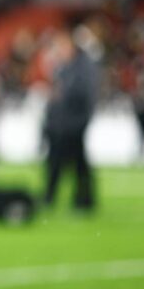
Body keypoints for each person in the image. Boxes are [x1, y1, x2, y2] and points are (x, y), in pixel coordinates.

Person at [42, 24, 98, 211]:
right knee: (64, 162)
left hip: (74, 123)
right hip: (60, 124)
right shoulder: (64, 67)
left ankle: (81, 198)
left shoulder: (83, 66)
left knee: (72, 163)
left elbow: (84, 94)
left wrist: (62, 95)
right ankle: (70, 197)